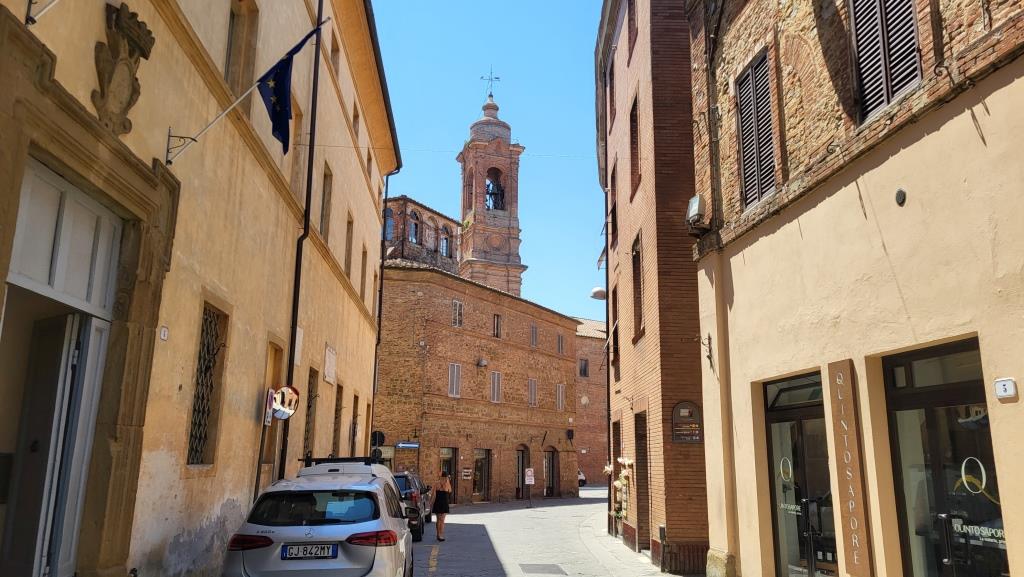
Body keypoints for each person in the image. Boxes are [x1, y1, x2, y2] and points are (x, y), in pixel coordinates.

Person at [433, 471, 452, 541]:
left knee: (438, 520)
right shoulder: (447, 484)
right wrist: (448, 481)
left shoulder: (436, 483)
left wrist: (431, 503)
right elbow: (450, 491)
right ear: (446, 477)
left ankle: (438, 534)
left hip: (437, 502)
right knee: (442, 520)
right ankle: (441, 535)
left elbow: (433, 494)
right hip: (444, 503)